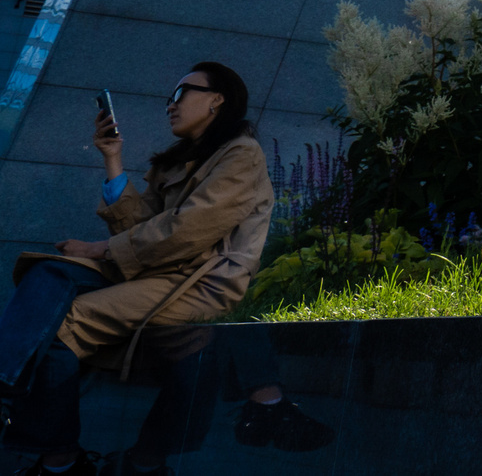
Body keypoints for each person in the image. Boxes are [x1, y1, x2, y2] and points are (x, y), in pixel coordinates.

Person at [0, 63, 327, 473]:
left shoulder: (242, 154)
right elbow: (142, 227)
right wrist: (113, 160)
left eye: (180, 94)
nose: (169, 106)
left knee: (64, 327)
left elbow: (187, 232)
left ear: (216, 100)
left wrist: (100, 248)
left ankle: (60, 458)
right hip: (158, 273)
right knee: (47, 271)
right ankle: (8, 376)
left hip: (201, 284)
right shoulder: (175, 161)